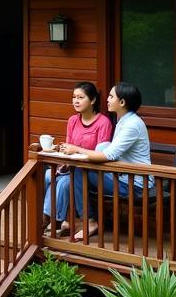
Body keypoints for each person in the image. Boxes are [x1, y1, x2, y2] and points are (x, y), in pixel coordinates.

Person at [60, 81, 151, 240]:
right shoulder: (123, 120)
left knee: (80, 170)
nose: (107, 100)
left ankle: (89, 222)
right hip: (124, 177)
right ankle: (79, 219)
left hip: (134, 183)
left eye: (111, 96)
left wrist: (76, 149)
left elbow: (108, 155)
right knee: (78, 170)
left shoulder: (131, 125)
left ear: (122, 102)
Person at [42, 82, 113, 236]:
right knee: (49, 175)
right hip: (72, 167)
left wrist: (74, 155)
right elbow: (69, 147)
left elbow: (100, 154)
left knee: (64, 183)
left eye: (81, 97)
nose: (76, 101)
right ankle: (63, 220)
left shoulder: (103, 123)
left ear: (93, 100)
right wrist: (63, 162)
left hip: (90, 171)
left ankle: (49, 220)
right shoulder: (73, 120)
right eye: (74, 97)